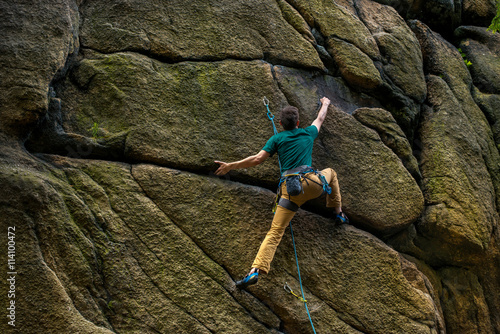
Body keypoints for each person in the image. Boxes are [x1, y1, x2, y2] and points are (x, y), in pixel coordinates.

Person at [214, 97, 348, 289]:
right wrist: (326, 103)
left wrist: (231, 166)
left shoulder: (277, 139)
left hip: (290, 191)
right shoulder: (307, 133)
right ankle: (338, 214)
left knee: (275, 232)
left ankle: (254, 271)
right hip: (312, 183)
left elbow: (257, 159)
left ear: (280, 124)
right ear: (298, 122)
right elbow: (320, 119)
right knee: (332, 173)